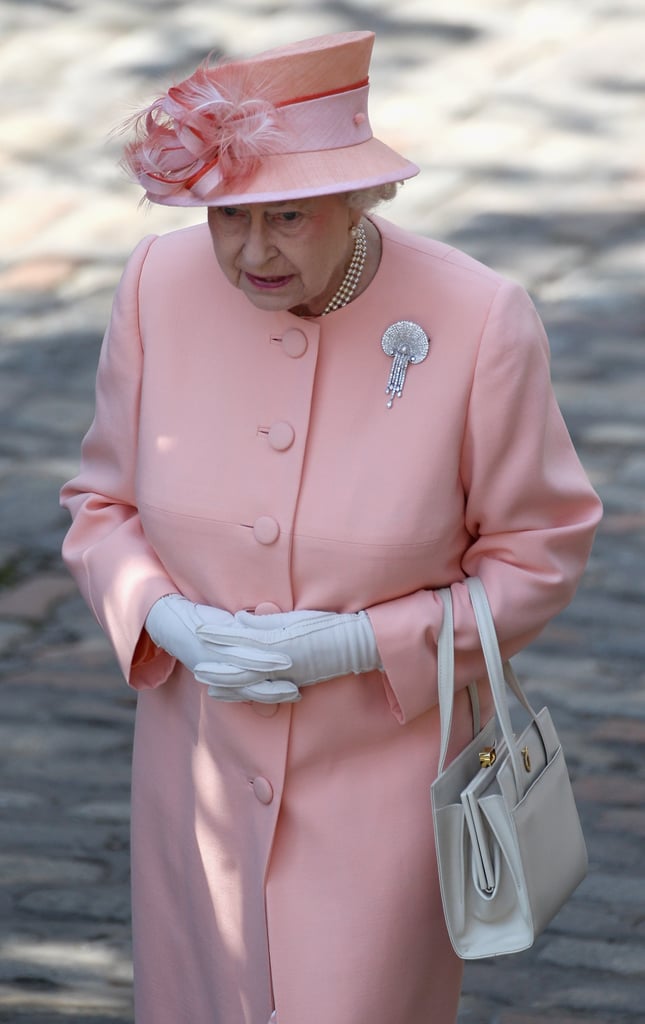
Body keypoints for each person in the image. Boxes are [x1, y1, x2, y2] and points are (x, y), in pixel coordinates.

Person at [60, 30, 602, 1024]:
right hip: (198, 785)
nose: (251, 253)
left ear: (364, 199)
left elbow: (538, 556)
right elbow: (102, 508)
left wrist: (360, 642)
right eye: (228, 219)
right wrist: (167, 619)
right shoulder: (154, 288)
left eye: (290, 218)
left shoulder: (480, 319)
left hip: (384, 792)